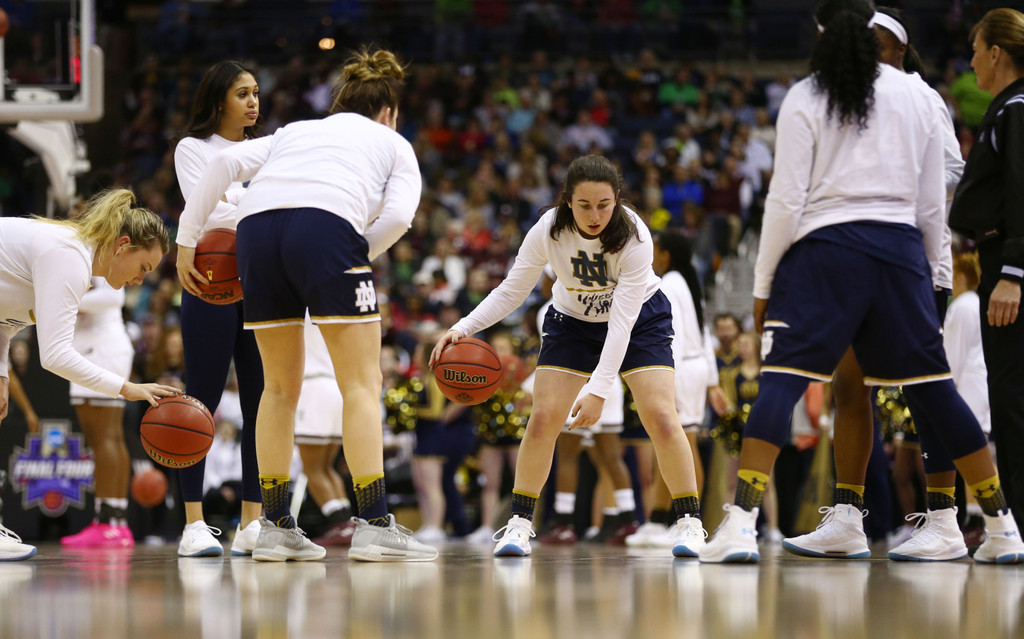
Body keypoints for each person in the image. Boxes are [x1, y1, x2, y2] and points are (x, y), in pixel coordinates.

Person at [700, 0, 1024, 565]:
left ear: (823, 35)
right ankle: (1001, 527)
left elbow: (784, 200)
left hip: (826, 250)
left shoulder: (807, 93)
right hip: (901, 252)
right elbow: (931, 204)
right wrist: (931, 273)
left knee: (780, 379)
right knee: (934, 389)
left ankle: (740, 526)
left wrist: (763, 282)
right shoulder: (920, 96)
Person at [177, 47, 436, 562]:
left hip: (254, 233)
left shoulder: (297, 130)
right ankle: (376, 524)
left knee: (276, 388)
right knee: (361, 383)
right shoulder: (392, 141)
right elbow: (401, 218)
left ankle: (273, 526)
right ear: (388, 112)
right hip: (325, 229)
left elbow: (226, 162)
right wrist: (353, 255)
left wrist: (187, 240)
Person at [429, 155, 707, 559]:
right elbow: (512, 290)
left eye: (604, 205)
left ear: (617, 200)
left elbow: (621, 324)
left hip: (639, 319)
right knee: (543, 419)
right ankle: (520, 525)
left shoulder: (635, 237)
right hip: (572, 321)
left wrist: (599, 388)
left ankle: (690, 524)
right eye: (584, 206)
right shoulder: (547, 229)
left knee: (661, 416)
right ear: (566, 201)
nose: (595, 216)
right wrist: (463, 328)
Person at [783, 5, 971, 562]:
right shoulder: (843, 95)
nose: (869, 48)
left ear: (898, 50)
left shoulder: (919, 95)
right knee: (848, 387)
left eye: (880, 42)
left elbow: (953, 171)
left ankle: (944, 519)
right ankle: (847, 516)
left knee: (924, 389)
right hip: (854, 260)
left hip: (909, 259)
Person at [0, 187, 178, 560]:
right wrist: (125, 387)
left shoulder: (76, 260)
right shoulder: (70, 257)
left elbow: (5, 318)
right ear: (122, 245)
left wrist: (1, 373)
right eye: (143, 267)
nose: (140, 281)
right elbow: (54, 355)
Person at [173, 60, 265, 558]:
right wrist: (257, 212)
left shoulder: (268, 150)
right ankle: (193, 524)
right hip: (207, 280)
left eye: (255, 93)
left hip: (261, 284)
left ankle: (253, 521)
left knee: (260, 402)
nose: (253, 102)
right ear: (218, 99)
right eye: (242, 94)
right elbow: (205, 211)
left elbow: (236, 211)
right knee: (199, 404)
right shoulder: (194, 149)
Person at [949, 7, 1024, 533]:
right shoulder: (1006, 109)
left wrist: (1013, 272)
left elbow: (1022, 191)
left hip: (1009, 265)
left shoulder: (1016, 109)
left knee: (1013, 400)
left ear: (996, 53)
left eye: (976, 50)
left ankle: (1017, 524)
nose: (972, 60)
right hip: (1002, 259)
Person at [627, 230, 727, 549]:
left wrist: (667, 379)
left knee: (679, 446)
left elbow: (674, 336)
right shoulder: (687, 282)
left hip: (680, 368)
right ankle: (660, 520)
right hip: (695, 370)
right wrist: (712, 382)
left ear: (666, 254)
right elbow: (703, 331)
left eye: (654, 249)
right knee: (676, 446)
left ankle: (687, 519)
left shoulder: (668, 283)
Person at [59, 277, 136, 549]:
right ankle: (116, 522)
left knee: (103, 439)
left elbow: (115, 296)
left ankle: (108, 524)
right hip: (101, 346)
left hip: (99, 348)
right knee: (111, 438)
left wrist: (65, 302)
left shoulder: (95, 244)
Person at [294, 316, 358, 548]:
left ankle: (339, 523)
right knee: (326, 467)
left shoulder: (298, 306)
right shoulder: (333, 305)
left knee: (312, 469)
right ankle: (346, 523)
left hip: (312, 387)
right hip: (336, 386)